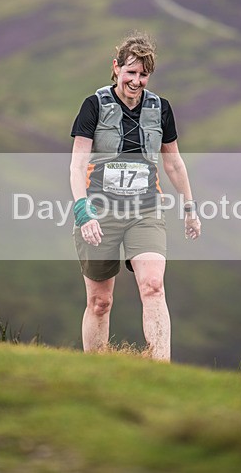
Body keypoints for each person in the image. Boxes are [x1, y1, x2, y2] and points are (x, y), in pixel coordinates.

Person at [69, 31, 201, 361]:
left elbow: (173, 162)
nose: (136, 81)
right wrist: (83, 212)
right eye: (130, 72)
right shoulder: (94, 105)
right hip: (100, 211)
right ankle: (97, 371)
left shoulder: (161, 109)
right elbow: (77, 164)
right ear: (115, 68)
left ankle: (161, 370)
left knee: (153, 286)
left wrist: (189, 207)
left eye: (143, 74)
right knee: (100, 302)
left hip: (146, 209)